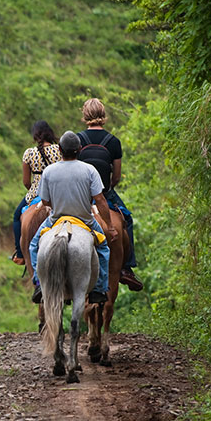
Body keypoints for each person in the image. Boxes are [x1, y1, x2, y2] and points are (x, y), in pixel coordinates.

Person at [28, 131, 118, 304]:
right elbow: (100, 200)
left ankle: (39, 283)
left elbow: (45, 201)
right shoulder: (89, 170)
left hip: (56, 219)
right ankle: (99, 288)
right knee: (104, 248)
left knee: (33, 246)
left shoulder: (49, 171)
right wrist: (110, 227)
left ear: (60, 149)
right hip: (85, 220)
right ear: (80, 149)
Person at [76, 98, 143, 291]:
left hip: (82, 196)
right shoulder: (113, 142)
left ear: (85, 115)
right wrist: (106, 188)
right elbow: (117, 176)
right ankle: (127, 269)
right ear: (103, 115)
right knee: (127, 219)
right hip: (105, 194)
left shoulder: (78, 140)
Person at [11, 120, 62, 265]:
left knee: (16, 216)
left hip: (36, 193)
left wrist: (34, 191)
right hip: (56, 193)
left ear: (35, 135)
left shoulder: (29, 153)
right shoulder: (59, 149)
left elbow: (26, 182)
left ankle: (20, 254)